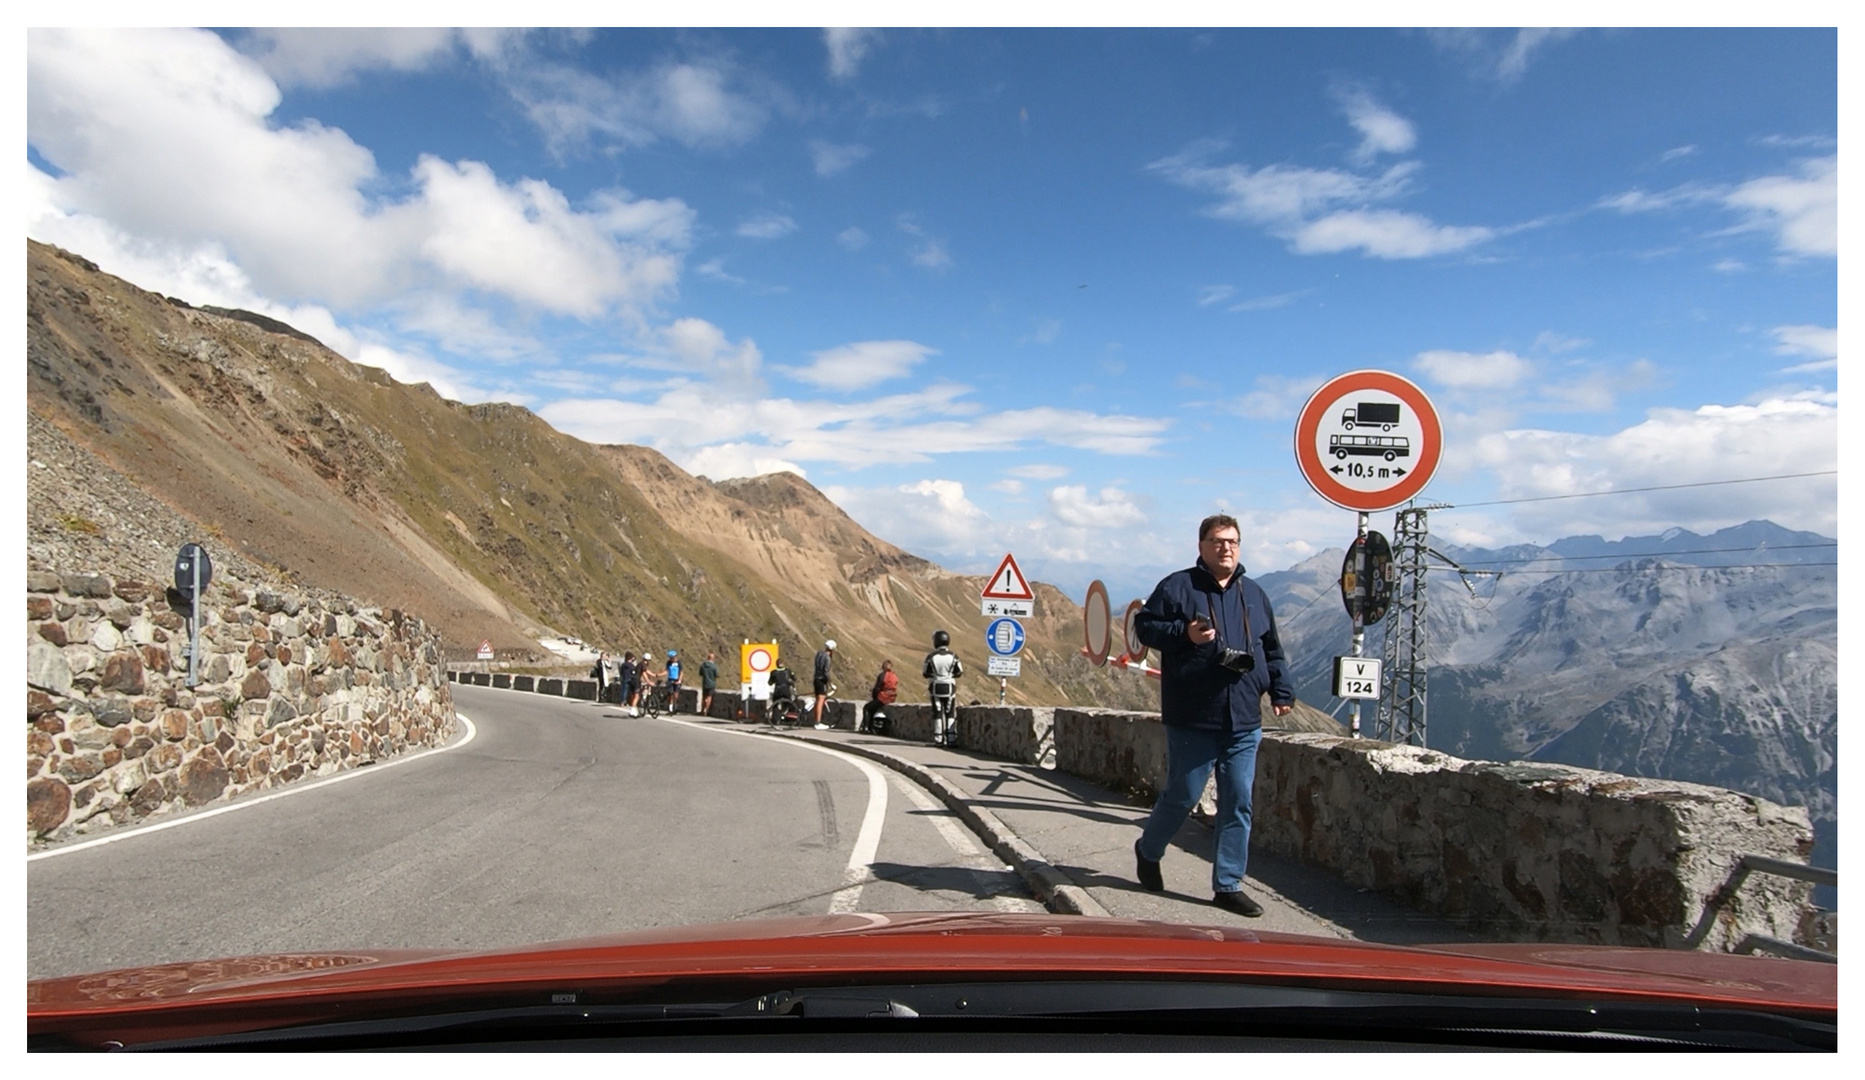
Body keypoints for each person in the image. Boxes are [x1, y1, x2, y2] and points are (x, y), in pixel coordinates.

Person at [1131, 513, 1294, 918]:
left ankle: (1228, 885)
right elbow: (1145, 627)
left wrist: (1281, 689)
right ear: (1201, 546)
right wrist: (1183, 635)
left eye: (1233, 541)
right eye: (1218, 541)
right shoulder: (1177, 586)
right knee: (1182, 795)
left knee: (1238, 800)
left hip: (1244, 719)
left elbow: (1271, 648)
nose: (1226, 548)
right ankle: (1148, 849)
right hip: (1193, 715)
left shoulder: (1255, 594)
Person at [922, 630, 963, 746]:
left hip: (936, 686)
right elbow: (959, 672)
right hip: (950, 686)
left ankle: (938, 739)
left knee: (938, 712)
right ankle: (951, 738)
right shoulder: (953, 656)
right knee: (950, 712)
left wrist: (936, 675)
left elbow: (925, 673)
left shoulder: (931, 657)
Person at [863, 659, 898, 734]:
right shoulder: (894, 676)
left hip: (883, 697)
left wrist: (874, 696)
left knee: (867, 708)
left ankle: (866, 727)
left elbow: (877, 688)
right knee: (873, 709)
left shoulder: (882, 675)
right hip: (892, 697)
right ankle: (871, 727)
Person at [811, 639, 836, 729]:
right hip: (821, 681)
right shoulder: (827, 658)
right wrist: (830, 683)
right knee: (820, 701)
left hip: (815, 679)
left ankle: (815, 721)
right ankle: (817, 723)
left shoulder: (819, 654)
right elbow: (826, 672)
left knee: (817, 701)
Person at [769, 657, 798, 725]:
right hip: (786, 691)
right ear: (783, 664)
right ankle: (788, 718)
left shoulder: (773, 672)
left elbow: (770, 683)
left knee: (775, 705)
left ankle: (776, 720)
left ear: (776, 664)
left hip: (778, 691)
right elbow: (795, 679)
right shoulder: (788, 671)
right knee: (789, 703)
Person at [699, 651, 720, 717]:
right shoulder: (714, 666)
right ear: (713, 658)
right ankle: (706, 710)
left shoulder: (703, 665)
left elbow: (700, 673)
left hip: (705, 683)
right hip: (711, 683)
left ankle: (702, 710)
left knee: (704, 697)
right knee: (709, 697)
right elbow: (717, 675)